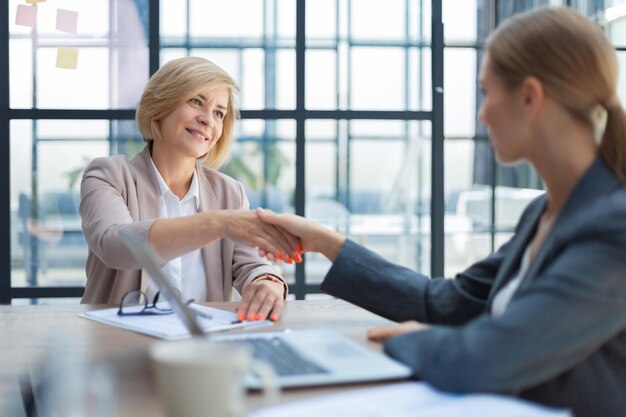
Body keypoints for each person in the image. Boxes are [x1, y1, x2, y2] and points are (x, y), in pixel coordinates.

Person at [256, 7, 626, 417]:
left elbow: (483, 358)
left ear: (529, 97)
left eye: (486, 93)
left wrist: (406, 340)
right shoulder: (545, 212)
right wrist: (325, 242)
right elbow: (448, 302)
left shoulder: (614, 228)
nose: (482, 113)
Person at [79, 56, 301, 321]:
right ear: (161, 104)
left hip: (202, 350)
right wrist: (217, 223)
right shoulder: (108, 175)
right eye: (196, 101)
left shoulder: (229, 192)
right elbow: (116, 245)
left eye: (219, 113)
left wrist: (267, 282)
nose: (208, 120)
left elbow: (252, 263)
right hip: (118, 345)